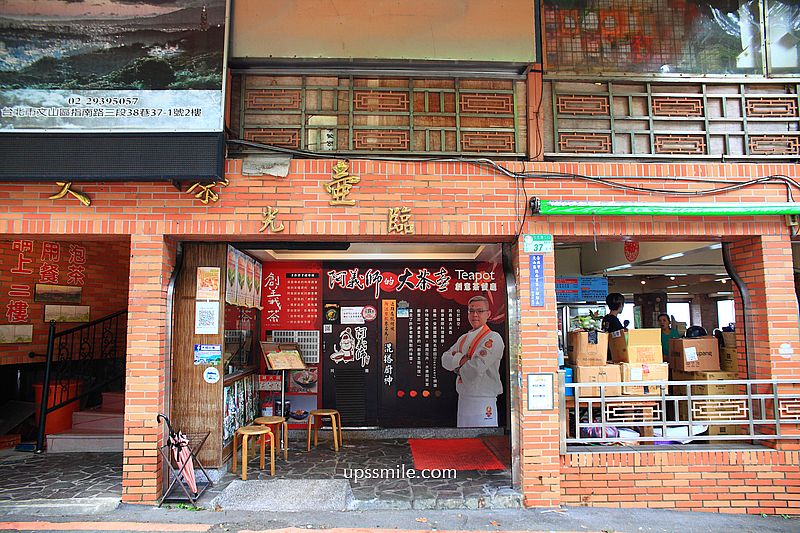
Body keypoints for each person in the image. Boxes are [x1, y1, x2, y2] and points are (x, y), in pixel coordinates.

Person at [441, 295, 504, 427]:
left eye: (480, 311)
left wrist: (456, 364)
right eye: (471, 311)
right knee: (463, 437)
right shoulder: (463, 338)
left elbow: (475, 368)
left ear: (488, 314)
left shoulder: (493, 338)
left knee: (483, 437)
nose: (475, 315)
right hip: (463, 398)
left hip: (483, 399)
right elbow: (444, 359)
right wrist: (462, 359)